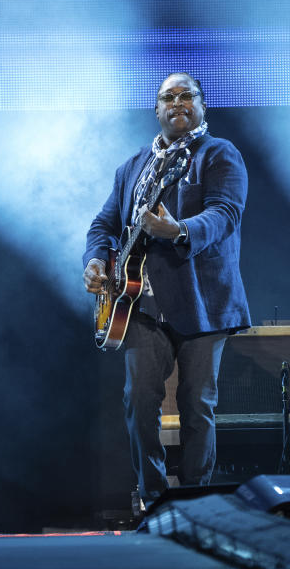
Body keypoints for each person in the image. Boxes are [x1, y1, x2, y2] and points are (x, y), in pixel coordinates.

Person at [83, 72, 251, 504]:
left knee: (198, 408)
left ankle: (196, 504)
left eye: (187, 96)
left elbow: (225, 214)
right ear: (155, 109)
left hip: (202, 303)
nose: (178, 103)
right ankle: (153, 500)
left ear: (202, 105)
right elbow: (103, 224)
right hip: (138, 304)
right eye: (167, 97)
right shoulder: (133, 166)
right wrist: (96, 260)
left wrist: (178, 230)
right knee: (139, 405)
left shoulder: (218, 155)